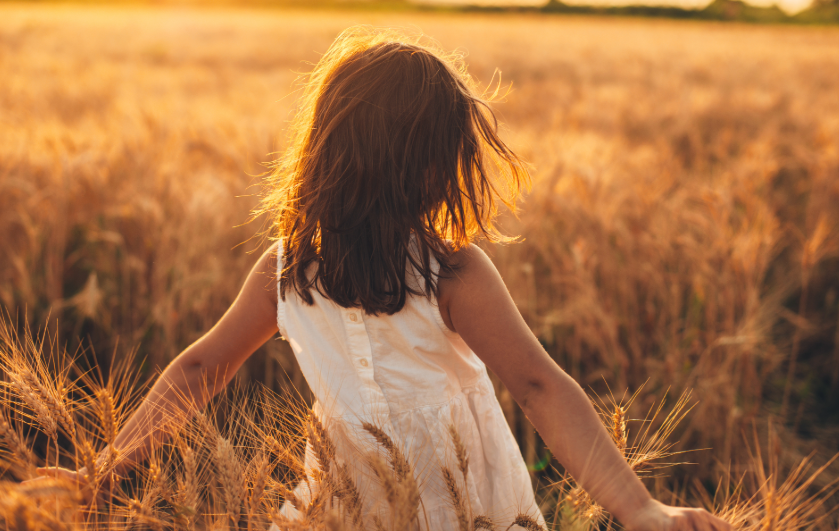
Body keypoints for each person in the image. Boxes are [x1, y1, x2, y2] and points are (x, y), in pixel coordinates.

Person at [37, 28, 731, 531]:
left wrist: (103, 469)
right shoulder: (453, 271)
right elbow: (540, 386)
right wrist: (641, 509)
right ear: (428, 168)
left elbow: (199, 369)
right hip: (456, 506)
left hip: (353, 505)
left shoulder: (284, 269)